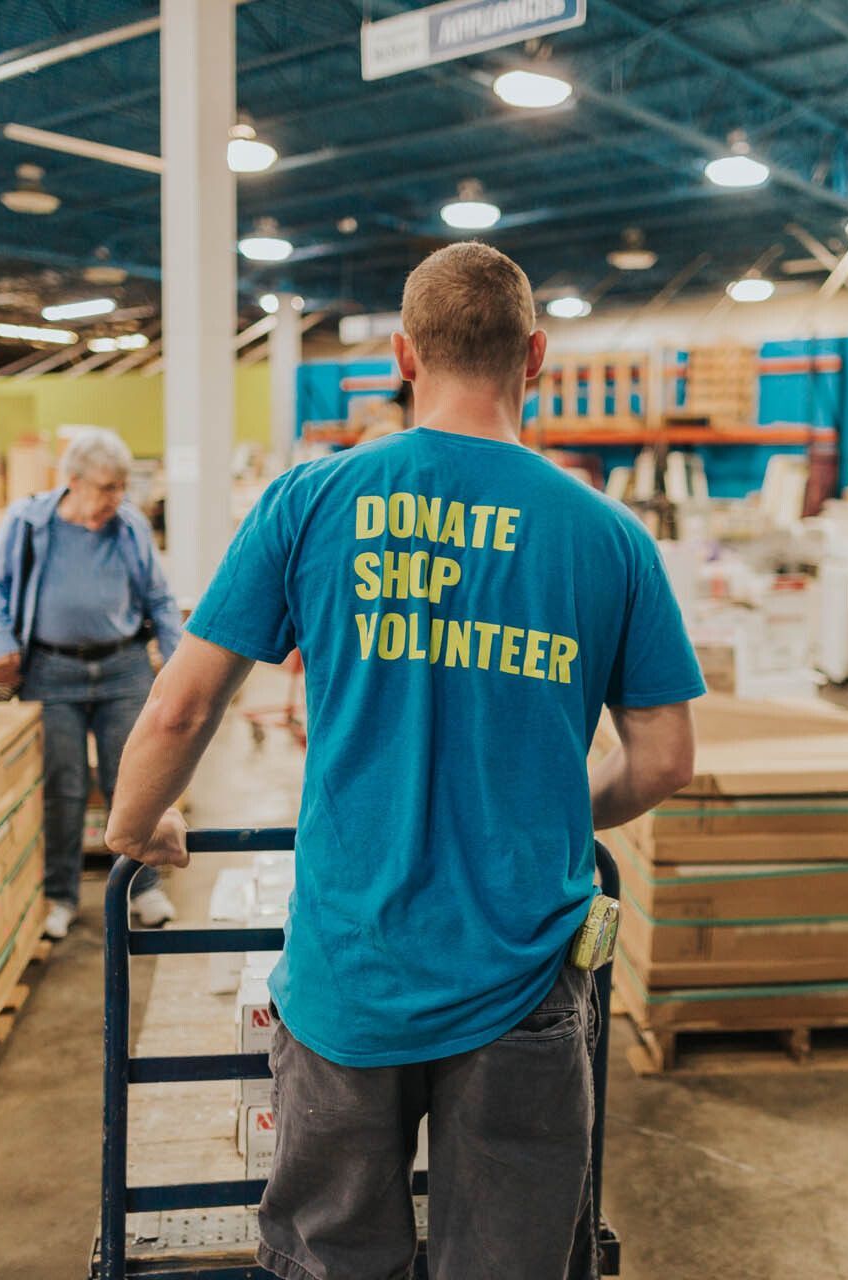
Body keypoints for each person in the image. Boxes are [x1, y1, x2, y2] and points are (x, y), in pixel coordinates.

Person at [106, 242, 703, 1278]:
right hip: (524, 977)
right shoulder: (609, 538)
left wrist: (133, 828)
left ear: (402, 353)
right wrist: (548, 810)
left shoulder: (309, 501)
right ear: (537, 356)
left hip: (351, 971)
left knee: (333, 1255)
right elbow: (663, 760)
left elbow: (180, 704)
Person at [0, 428, 184, 938]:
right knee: (62, 789)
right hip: (52, 672)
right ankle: (61, 896)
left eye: (121, 488)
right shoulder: (28, 522)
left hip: (123, 667)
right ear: (73, 481)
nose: (117, 499)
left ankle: (145, 887)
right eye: (107, 488)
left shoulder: (129, 527)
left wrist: (178, 664)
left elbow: (158, 598)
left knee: (133, 783)